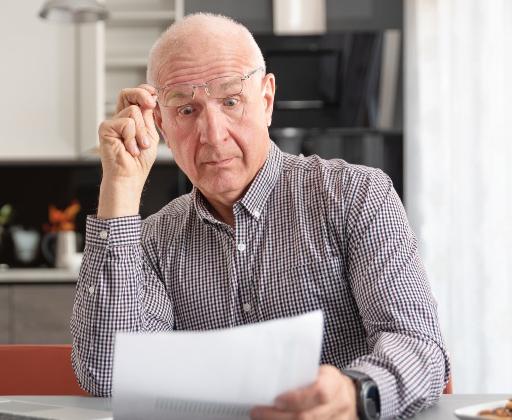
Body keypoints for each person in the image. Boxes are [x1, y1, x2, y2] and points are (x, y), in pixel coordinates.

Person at [70, 12, 450, 420]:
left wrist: (355, 391)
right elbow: (107, 375)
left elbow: (419, 345)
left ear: (266, 100)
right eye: (186, 110)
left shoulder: (357, 196)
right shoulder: (153, 240)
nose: (212, 134)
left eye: (231, 101)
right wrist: (120, 188)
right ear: (159, 124)